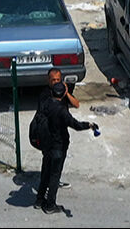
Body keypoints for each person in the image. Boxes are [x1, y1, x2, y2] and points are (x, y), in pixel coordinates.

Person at [34, 81, 97, 214]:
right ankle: (50, 205)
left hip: (46, 145)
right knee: (54, 176)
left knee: (45, 172)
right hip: (58, 147)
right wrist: (89, 125)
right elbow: (76, 125)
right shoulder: (62, 111)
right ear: (63, 95)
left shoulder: (46, 104)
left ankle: (39, 200)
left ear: (52, 93)